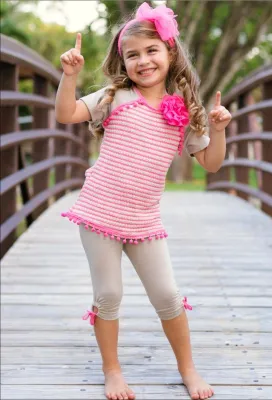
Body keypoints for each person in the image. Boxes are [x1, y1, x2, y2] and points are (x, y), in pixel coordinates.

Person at [55, 3, 231, 400]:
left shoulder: (185, 109)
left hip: (143, 217)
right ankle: (112, 371)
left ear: (171, 53)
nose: (143, 60)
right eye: (132, 54)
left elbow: (211, 163)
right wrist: (69, 77)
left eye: (152, 50)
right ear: (123, 62)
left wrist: (218, 129)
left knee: (167, 295)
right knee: (109, 294)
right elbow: (66, 113)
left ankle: (188, 369)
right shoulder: (114, 96)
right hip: (99, 210)